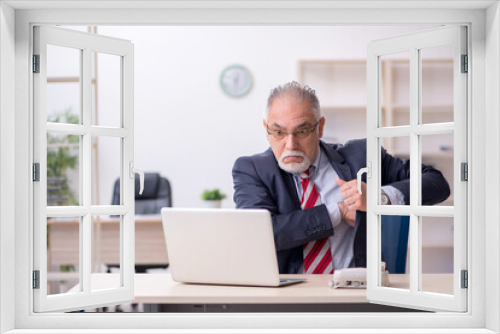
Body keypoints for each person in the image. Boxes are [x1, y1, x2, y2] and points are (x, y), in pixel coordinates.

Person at [232, 81, 450, 274]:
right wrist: (337, 212)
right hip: (287, 297)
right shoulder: (252, 169)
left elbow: (436, 183)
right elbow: (260, 235)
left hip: (356, 294)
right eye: (279, 132)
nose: (290, 145)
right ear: (266, 129)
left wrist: (379, 197)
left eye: (302, 131)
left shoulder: (361, 157)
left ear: (320, 128)